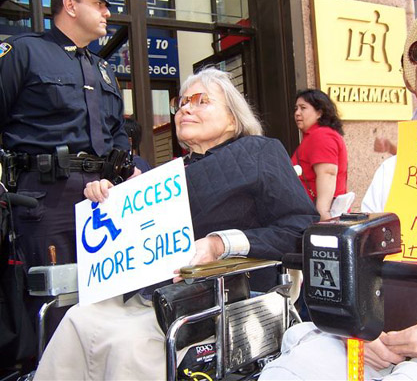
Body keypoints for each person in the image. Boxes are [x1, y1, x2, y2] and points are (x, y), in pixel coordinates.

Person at [260, 2, 417, 380]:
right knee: (292, 372)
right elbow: (361, 269)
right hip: (382, 333)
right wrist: (357, 326)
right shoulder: (393, 170)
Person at [33, 68, 319, 380]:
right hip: (152, 292)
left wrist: (221, 244)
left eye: (200, 100)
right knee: (78, 318)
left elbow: (301, 229)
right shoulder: (169, 174)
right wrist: (110, 201)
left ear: (233, 118)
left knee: (132, 345)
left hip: (223, 298)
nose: (185, 108)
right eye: (181, 103)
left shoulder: (260, 151)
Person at [0, 0, 137, 364]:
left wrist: (123, 170)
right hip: (45, 197)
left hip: (100, 197)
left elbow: (117, 133)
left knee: (103, 299)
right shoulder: (24, 52)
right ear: (70, 5)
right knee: (52, 304)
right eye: (99, 3)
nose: (108, 12)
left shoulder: (104, 70)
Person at [291, 89, 348, 221]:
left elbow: (327, 173)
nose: (297, 113)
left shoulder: (321, 135)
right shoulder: (314, 136)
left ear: (319, 112)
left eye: (303, 108)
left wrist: (322, 212)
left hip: (318, 215)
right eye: (296, 108)